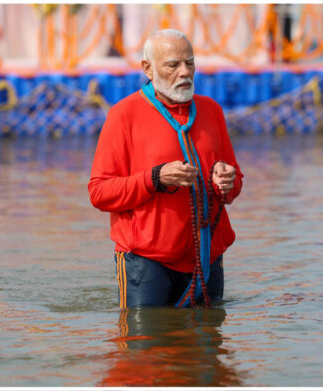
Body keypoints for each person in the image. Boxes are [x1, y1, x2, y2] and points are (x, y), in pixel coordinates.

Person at [88, 29, 243, 308]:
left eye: (190, 62)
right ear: (148, 68)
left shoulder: (212, 111)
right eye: (173, 65)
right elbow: (99, 192)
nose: (184, 72)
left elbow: (235, 182)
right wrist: (155, 178)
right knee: (143, 350)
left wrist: (227, 181)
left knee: (208, 347)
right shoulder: (123, 115)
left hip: (207, 257)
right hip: (146, 261)